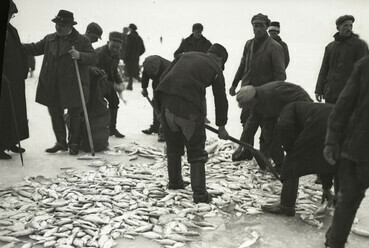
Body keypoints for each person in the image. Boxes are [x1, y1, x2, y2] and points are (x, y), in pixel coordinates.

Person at [155, 44, 229, 203]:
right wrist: (221, 126)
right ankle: (200, 195)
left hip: (166, 102)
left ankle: (175, 183)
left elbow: (163, 79)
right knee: (196, 150)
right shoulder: (216, 67)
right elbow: (220, 99)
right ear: (220, 59)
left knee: (173, 146)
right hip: (188, 108)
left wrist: (159, 110)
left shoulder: (184, 55)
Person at [23, 10, 98, 155]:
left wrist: (80, 55)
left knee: (74, 114)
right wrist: (16, 45)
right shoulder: (50, 39)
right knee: (55, 112)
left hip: (74, 84)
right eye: (57, 24)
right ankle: (61, 142)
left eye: (62, 24)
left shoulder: (82, 41)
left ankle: (74, 143)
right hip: (53, 83)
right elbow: (34, 48)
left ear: (70, 25)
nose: (58, 27)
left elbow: (94, 58)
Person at [323, 55, 369, 248]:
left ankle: (334, 242)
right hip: (359, 147)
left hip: (358, 147)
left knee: (348, 200)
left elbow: (344, 104)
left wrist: (331, 141)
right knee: (348, 199)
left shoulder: (365, 64)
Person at [261, 102, 337, 216]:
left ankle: (286, 206)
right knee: (328, 158)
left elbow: (284, 127)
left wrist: (289, 148)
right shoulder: (303, 107)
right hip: (341, 123)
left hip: (320, 123)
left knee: (291, 163)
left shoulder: (286, 108)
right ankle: (331, 194)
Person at [229, 13, 286, 162]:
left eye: (261, 25)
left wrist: (274, 96)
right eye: (255, 25)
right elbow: (242, 65)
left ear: (266, 27)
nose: (258, 28)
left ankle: (277, 161)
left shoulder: (275, 47)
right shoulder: (249, 44)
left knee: (268, 129)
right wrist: (235, 83)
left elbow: (280, 76)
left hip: (266, 96)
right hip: (248, 93)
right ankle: (248, 152)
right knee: (246, 122)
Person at [236, 81, 313, 172]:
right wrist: (240, 147)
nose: (249, 108)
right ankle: (280, 164)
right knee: (268, 133)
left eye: (248, 105)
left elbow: (299, 97)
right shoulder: (256, 103)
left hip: (298, 105)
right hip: (275, 110)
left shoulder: (274, 92)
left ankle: (304, 163)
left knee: (288, 132)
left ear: (253, 100)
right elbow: (250, 126)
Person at [315, 15, 368, 104]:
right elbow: (324, 69)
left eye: (350, 26)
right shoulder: (330, 47)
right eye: (345, 26)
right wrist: (319, 90)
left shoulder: (360, 45)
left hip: (349, 96)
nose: (349, 28)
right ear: (338, 28)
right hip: (330, 95)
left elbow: (365, 71)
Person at [1, 0, 29, 160]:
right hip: (4, 77)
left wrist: (23, 70)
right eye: (10, 13)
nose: (12, 16)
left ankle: (11, 141)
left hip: (15, 77)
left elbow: (19, 50)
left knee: (15, 110)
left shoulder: (12, 30)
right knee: (4, 111)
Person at [95, 32, 125, 138]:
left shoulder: (116, 55)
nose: (115, 50)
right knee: (97, 107)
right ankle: (99, 130)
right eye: (113, 46)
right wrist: (113, 86)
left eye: (118, 47)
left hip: (106, 83)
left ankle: (112, 129)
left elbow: (114, 70)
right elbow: (98, 76)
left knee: (114, 101)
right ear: (108, 42)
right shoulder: (100, 54)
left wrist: (120, 82)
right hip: (95, 83)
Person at [141, 55, 171, 142]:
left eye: (154, 72)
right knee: (155, 103)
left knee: (164, 105)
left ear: (158, 67)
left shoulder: (168, 68)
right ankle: (155, 126)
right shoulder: (148, 66)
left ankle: (163, 129)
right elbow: (145, 76)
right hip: (157, 83)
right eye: (150, 73)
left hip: (169, 85)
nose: (151, 74)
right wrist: (144, 88)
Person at [123, 23, 145, 90]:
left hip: (129, 57)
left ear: (130, 29)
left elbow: (127, 47)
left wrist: (125, 56)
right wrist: (137, 54)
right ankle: (140, 82)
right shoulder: (139, 38)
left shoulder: (129, 37)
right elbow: (143, 49)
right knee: (134, 72)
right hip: (136, 58)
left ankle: (130, 86)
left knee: (130, 72)